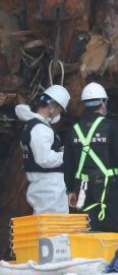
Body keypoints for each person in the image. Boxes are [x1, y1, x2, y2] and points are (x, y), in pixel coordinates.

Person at [64, 82, 118, 233]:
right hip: (109, 186)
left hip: (82, 188)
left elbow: (68, 163)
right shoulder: (111, 126)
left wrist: (70, 190)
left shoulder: (73, 130)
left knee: (86, 227)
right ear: (103, 102)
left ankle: (87, 256)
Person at [16, 85, 70, 214]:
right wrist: (67, 155)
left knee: (48, 227)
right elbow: (45, 159)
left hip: (45, 185)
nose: (59, 114)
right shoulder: (41, 129)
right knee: (53, 229)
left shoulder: (33, 125)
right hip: (48, 187)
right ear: (52, 107)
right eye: (60, 109)